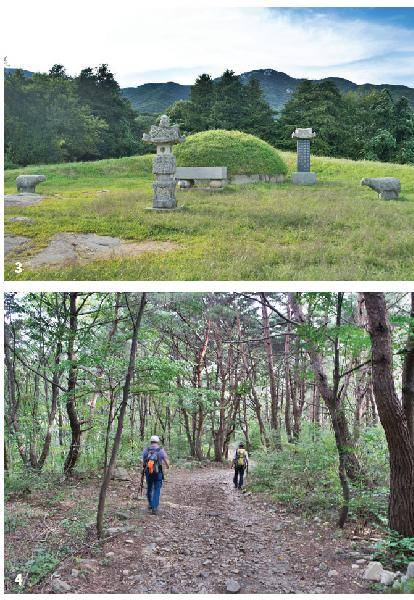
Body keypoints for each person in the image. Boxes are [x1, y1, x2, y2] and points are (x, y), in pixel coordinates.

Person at [141, 435, 170, 515]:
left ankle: (150, 504)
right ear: (157, 441)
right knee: (157, 489)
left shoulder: (146, 450)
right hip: (158, 472)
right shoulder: (160, 450)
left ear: (151, 441)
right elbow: (166, 460)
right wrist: (168, 467)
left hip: (148, 472)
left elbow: (142, 461)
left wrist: (144, 467)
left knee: (149, 488)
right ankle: (154, 507)